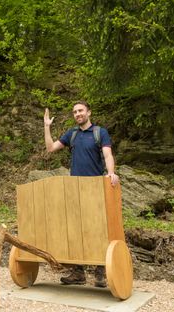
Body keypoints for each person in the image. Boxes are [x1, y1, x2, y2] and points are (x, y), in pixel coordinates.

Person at [43, 100, 119, 288]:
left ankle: (100, 272)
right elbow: (50, 148)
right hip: (74, 189)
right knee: (75, 230)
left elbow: (108, 155)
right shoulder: (72, 134)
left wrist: (111, 173)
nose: (78, 114)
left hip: (95, 187)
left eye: (81, 111)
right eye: (75, 111)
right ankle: (78, 272)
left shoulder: (99, 132)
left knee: (98, 229)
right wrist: (46, 128)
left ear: (89, 112)